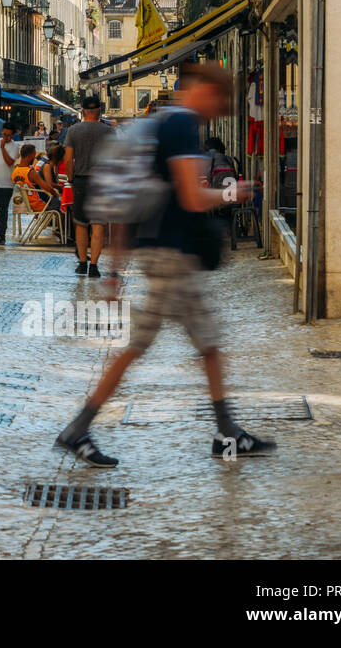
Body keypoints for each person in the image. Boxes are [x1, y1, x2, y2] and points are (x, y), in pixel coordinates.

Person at [55, 63, 276, 468]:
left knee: (193, 343)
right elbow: (192, 198)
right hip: (172, 257)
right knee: (179, 343)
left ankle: (225, 431)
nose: (220, 109)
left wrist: (117, 269)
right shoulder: (181, 127)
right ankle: (79, 428)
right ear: (204, 92)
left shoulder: (159, 126)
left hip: (162, 253)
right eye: (220, 100)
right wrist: (235, 193)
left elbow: (132, 198)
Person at [64, 93, 113, 278]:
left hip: (81, 181)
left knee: (81, 224)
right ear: (99, 111)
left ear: (83, 111)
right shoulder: (108, 132)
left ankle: (82, 263)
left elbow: (68, 159)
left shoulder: (73, 131)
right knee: (98, 225)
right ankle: (94, 266)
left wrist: (70, 178)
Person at [11, 144, 58, 213]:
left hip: (23, 205)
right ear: (30, 156)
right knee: (60, 205)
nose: (35, 157)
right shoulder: (30, 172)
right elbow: (48, 188)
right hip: (39, 206)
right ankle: (54, 223)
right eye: (34, 155)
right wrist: (56, 193)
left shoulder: (14, 172)